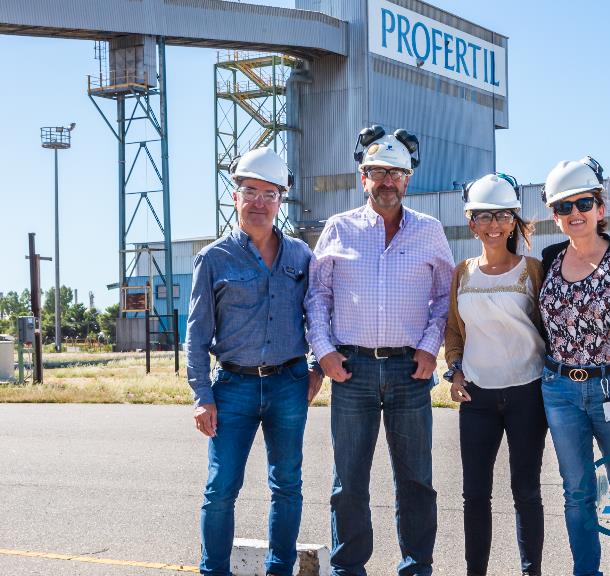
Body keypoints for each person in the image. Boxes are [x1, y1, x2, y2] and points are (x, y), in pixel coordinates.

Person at [305, 125, 455, 576]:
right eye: (377, 172)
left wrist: (430, 349)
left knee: (415, 480)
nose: (386, 181)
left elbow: (445, 296)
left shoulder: (429, 231)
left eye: (395, 173)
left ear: (407, 179)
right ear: (363, 177)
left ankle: (416, 567)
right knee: (348, 481)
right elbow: (316, 297)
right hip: (352, 371)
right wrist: (325, 352)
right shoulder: (339, 228)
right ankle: (348, 568)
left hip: (410, 372)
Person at [186, 147, 322, 576]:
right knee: (221, 488)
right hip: (233, 389)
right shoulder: (213, 259)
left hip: (289, 384)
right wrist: (202, 396)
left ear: (281, 199)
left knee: (287, 486)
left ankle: (279, 570)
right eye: (251, 192)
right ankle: (215, 571)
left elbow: (320, 313)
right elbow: (196, 334)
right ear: (235, 196)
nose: (259, 202)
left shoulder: (301, 256)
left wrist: (317, 367)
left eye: (269, 193)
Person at [537, 156, 610, 576]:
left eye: (582, 204)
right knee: (577, 489)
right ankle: (586, 570)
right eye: (563, 207)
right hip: (560, 388)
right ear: (554, 216)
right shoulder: (548, 258)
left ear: (600, 209)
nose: (574, 214)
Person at [443, 173, 547, 576]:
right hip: (478, 398)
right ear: (471, 223)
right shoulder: (461, 273)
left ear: (514, 220)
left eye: (502, 215)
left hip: (527, 394)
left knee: (526, 491)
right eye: (483, 217)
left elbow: (549, 327)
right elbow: (453, 329)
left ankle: (530, 571)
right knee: (475, 495)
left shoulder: (533, 270)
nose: (493, 225)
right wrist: (454, 373)